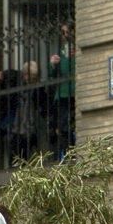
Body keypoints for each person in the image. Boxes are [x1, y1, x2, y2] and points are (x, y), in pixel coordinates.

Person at [49, 21, 76, 158]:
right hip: (62, 94)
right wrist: (53, 65)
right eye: (63, 32)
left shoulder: (76, 48)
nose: (65, 35)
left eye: (68, 32)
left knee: (74, 124)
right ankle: (65, 154)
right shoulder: (61, 51)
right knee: (63, 127)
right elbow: (52, 76)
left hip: (74, 93)